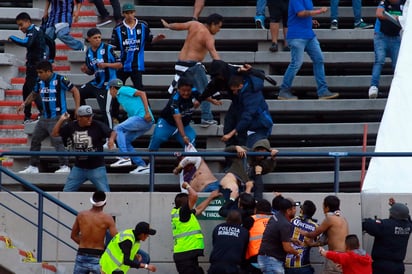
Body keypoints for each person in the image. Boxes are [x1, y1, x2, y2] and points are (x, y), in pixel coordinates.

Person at [17, 60, 80, 174]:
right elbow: (34, 94)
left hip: (58, 117)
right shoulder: (39, 81)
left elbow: (75, 91)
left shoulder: (60, 79)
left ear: (48, 71)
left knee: (57, 141)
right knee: (35, 140)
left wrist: (77, 108)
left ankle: (64, 166)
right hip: (44, 118)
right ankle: (33, 166)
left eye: (41, 72)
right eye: (38, 72)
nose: (39, 75)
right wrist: (24, 103)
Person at [161, 13, 223, 127]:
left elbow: (178, 25)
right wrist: (222, 68)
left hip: (180, 65)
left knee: (185, 92)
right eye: (218, 27)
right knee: (205, 90)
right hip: (193, 66)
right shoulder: (208, 36)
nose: (219, 30)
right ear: (213, 24)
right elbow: (214, 54)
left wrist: (168, 25)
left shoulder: (194, 24)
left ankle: (183, 117)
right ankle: (206, 117)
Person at [278, 1, 340, 100]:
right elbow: (300, 13)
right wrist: (319, 11)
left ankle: (323, 91)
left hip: (309, 35)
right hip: (297, 36)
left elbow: (301, 14)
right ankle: (284, 90)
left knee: (319, 59)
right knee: (296, 64)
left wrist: (310, 21)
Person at [51, 105, 116, 192]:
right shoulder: (71, 126)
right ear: (79, 118)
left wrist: (111, 140)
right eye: (87, 117)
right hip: (79, 167)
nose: (90, 119)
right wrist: (61, 119)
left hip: (96, 167)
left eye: (91, 116)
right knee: (66, 192)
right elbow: (55, 134)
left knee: (105, 192)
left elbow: (113, 132)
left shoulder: (97, 125)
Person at [172, 182, 221, 274]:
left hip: (187, 255)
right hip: (185, 256)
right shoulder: (183, 213)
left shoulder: (183, 214)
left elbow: (198, 209)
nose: (192, 204)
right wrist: (187, 186)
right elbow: (194, 196)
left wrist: (210, 197)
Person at [107, 79, 154, 174]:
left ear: (112, 88)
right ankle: (142, 165)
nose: (109, 93)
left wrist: (147, 112)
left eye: (109, 90)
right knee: (126, 140)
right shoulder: (120, 97)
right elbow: (132, 109)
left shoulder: (123, 90)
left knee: (118, 128)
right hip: (144, 121)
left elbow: (142, 93)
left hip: (143, 117)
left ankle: (124, 157)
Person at [80, 28, 122, 129]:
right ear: (89, 39)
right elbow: (91, 71)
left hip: (108, 84)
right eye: (95, 38)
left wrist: (106, 64)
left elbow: (120, 64)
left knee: (105, 110)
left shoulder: (108, 48)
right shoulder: (88, 52)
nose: (98, 39)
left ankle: (110, 134)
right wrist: (86, 70)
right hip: (96, 82)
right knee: (78, 93)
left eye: (99, 37)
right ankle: (83, 120)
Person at [8, 12, 45, 123]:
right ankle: (27, 116)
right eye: (18, 26)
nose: (20, 28)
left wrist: (13, 38)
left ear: (28, 22)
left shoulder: (33, 31)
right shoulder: (36, 30)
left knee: (32, 89)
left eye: (21, 24)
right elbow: (50, 43)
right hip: (34, 64)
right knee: (26, 89)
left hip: (35, 65)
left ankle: (43, 113)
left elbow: (27, 43)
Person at [71, 191, 118, 273]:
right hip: (98, 255)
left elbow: (73, 236)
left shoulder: (81, 215)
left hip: (82, 253)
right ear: (105, 203)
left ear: (92, 201)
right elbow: (116, 239)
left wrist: (84, 244)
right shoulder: (107, 218)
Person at [148, 77, 200, 151]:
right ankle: (151, 159)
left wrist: (201, 101)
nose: (186, 93)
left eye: (188, 90)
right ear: (178, 89)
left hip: (185, 124)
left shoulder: (194, 91)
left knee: (191, 142)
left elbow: (203, 96)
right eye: (183, 91)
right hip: (167, 123)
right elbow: (177, 119)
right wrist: (183, 136)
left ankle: (188, 161)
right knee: (158, 137)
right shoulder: (174, 100)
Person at [301, 195, 349, 274]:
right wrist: (311, 244)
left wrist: (303, 232)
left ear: (327, 207)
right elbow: (326, 240)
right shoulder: (343, 219)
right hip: (345, 257)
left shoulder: (330, 219)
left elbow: (314, 233)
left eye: (323, 205)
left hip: (335, 257)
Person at [368, 0, 405, 99]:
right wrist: (395, 18)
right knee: (379, 60)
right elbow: (379, 13)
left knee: (397, 64)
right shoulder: (384, 2)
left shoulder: (404, 3)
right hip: (381, 35)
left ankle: (399, 88)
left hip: (395, 37)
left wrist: (400, 19)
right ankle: (374, 86)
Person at [362, 201, 412, 274]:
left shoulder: (385, 225)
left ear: (393, 214)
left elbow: (367, 224)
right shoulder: (408, 227)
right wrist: (396, 206)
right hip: (399, 267)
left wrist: (371, 220)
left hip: (382, 267)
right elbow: (408, 219)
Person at [258, 198, 300, 273]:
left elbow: (275, 236)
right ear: (288, 211)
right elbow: (287, 248)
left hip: (265, 258)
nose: (295, 211)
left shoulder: (275, 217)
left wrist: (291, 240)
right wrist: (297, 253)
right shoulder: (285, 224)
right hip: (272, 261)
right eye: (293, 209)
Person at [208, 210, 249, 274]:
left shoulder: (218, 228)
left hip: (215, 266)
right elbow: (244, 250)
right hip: (233, 267)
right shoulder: (244, 232)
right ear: (240, 220)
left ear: (227, 219)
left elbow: (215, 243)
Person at [285, 200, 320, 274]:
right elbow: (319, 242)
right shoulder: (316, 226)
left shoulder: (292, 220)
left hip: (287, 265)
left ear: (301, 210)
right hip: (304, 266)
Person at [245, 199, 273, 274]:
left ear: (256, 209)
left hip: (255, 260)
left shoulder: (251, 220)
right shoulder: (276, 220)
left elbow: (242, 238)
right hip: (274, 260)